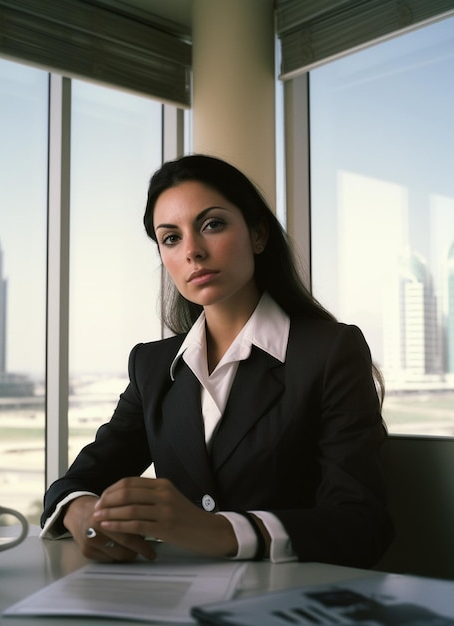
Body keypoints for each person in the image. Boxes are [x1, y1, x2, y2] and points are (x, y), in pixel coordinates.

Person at [40, 154, 393, 567]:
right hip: (177, 600)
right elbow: (77, 482)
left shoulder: (330, 351)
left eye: (212, 225)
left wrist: (217, 531)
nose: (193, 251)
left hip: (287, 599)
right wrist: (82, 512)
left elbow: (362, 526)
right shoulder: (152, 366)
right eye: (170, 238)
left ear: (258, 234)